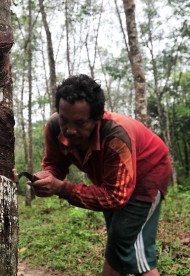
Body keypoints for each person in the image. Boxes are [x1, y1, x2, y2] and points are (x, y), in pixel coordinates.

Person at [28, 74, 172, 276]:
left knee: (130, 245)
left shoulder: (115, 137)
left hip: (148, 172)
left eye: (79, 123)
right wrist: (47, 176)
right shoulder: (53, 127)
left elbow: (116, 197)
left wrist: (61, 188)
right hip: (111, 180)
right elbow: (55, 163)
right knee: (117, 239)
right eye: (64, 120)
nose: (69, 130)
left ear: (97, 118)